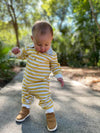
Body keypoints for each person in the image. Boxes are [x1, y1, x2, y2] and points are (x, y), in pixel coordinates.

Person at [12, 20, 64, 132]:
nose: (42, 48)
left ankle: (50, 115)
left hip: (41, 83)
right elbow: (22, 55)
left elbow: (55, 66)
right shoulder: (29, 49)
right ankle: (25, 110)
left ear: (51, 39)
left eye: (46, 44)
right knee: (25, 96)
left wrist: (58, 75)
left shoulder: (51, 54)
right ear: (32, 39)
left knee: (46, 99)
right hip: (27, 82)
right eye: (39, 44)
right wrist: (17, 52)